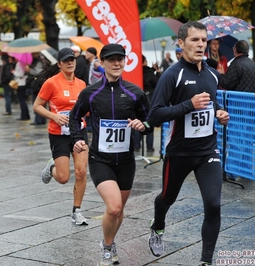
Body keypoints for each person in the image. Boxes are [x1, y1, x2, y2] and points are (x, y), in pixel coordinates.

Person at [147, 21, 230, 266]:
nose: (201, 45)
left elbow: (211, 103)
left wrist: (219, 113)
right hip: (179, 152)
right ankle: (158, 225)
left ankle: (206, 261)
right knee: (166, 199)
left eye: (204, 40)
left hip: (207, 150)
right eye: (195, 40)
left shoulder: (213, 74)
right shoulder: (172, 75)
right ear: (181, 43)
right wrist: (188, 106)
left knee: (213, 204)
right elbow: (154, 115)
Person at [69, 43, 151, 266]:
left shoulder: (135, 93)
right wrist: (77, 139)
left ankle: (111, 242)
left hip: (125, 161)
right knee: (113, 207)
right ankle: (106, 247)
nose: (116, 63)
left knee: (119, 210)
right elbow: (74, 117)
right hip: (100, 159)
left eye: (120, 59)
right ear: (102, 62)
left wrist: (142, 125)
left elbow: (149, 120)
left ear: (125, 61)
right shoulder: (91, 92)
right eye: (111, 59)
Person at [33, 47, 89, 227]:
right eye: (66, 60)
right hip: (59, 134)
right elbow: (37, 106)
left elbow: (86, 107)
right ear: (59, 64)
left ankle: (77, 211)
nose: (70, 62)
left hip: (79, 132)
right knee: (64, 177)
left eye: (72, 59)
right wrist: (54, 116)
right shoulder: (51, 83)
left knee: (81, 171)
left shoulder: (81, 84)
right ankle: (52, 168)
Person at [134, 55, 161, 153]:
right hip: (149, 100)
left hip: (137, 99)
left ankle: (136, 145)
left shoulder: (135, 72)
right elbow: (158, 84)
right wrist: (158, 73)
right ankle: (149, 147)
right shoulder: (150, 73)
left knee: (137, 123)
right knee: (149, 123)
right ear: (144, 62)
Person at [26, 52, 46, 125]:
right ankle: (41, 119)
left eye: (33, 54)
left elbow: (38, 72)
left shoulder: (39, 61)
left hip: (38, 85)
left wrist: (29, 70)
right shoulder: (40, 60)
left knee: (36, 102)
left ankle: (39, 120)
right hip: (39, 84)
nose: (32, 55)